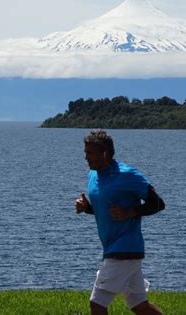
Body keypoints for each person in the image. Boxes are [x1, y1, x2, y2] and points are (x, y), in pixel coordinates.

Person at [75, 129, 165, 315]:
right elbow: (105, 210)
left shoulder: (127, 175)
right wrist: (87, 208)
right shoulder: (93, 175)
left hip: (123, 250)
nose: (86, 158)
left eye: (90, 153)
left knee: (97, 305)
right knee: (140, 307)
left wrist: (130, 211)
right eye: (85, 153)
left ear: (105, 153)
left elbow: (158, 203)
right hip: (119, 250)